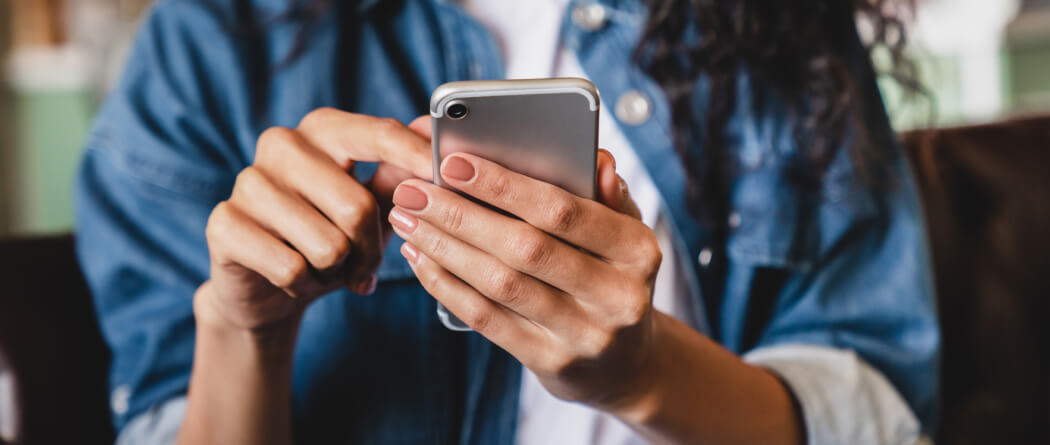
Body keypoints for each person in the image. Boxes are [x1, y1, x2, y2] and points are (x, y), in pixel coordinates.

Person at [75, 0, 939, 444]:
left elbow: (874, 414)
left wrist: (642, 372)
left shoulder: (771, 22)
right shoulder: (213, 46)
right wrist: (240, 329)